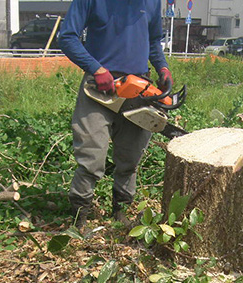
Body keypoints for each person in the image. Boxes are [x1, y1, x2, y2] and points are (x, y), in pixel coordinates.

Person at [58, 0, 173, 229]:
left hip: (138, 87)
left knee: (130, 157)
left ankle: (121, 212)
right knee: (91, 154)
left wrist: (162, 67)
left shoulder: (150, 2)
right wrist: (96, 68)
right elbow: (67, 37)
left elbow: (152, 41)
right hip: (98, 88)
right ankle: (79, 219)